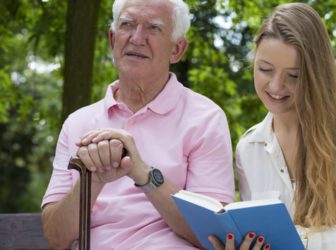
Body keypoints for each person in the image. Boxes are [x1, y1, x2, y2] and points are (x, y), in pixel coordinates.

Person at [41, 0, 235, 249]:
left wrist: (143, 174)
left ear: (177, 49)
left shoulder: (206, 118)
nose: (137, 37)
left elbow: (214, 235)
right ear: (113, 40)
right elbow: (56, 238)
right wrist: (93, 179)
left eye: (153, 28)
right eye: (127, 25)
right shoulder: (77, 123)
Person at [209, 2, 336, 250]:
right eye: (265, 69)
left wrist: (302, 241)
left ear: (315, 75)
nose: (276, 86)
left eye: (294, 76)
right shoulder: (248, 148)